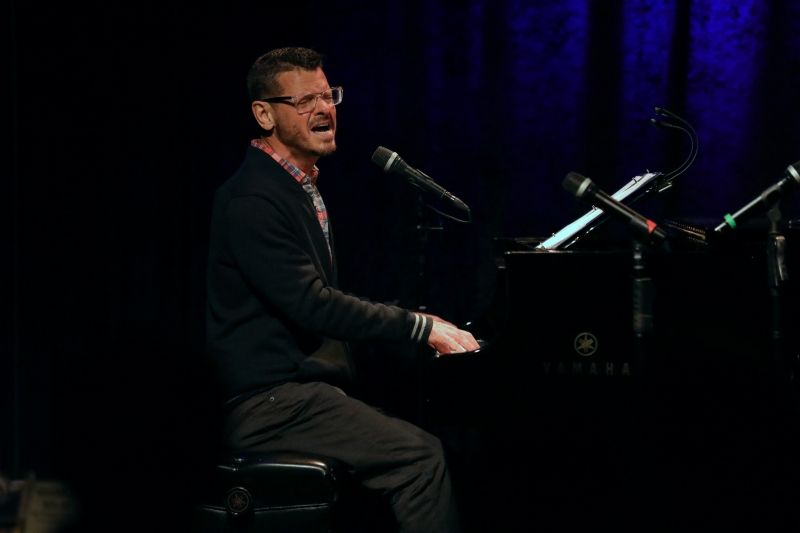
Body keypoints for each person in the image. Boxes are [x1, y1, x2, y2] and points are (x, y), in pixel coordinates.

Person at [205, 46, 479, 533]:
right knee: (420, 459)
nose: (324, 109)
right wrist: (419, 327)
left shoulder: (296, 187)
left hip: (301, 393)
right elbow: (312, 305)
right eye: (305, 100)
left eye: (328, 95)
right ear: (264, 113)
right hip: (269, 403)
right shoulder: (251, 198)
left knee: (441, 442)